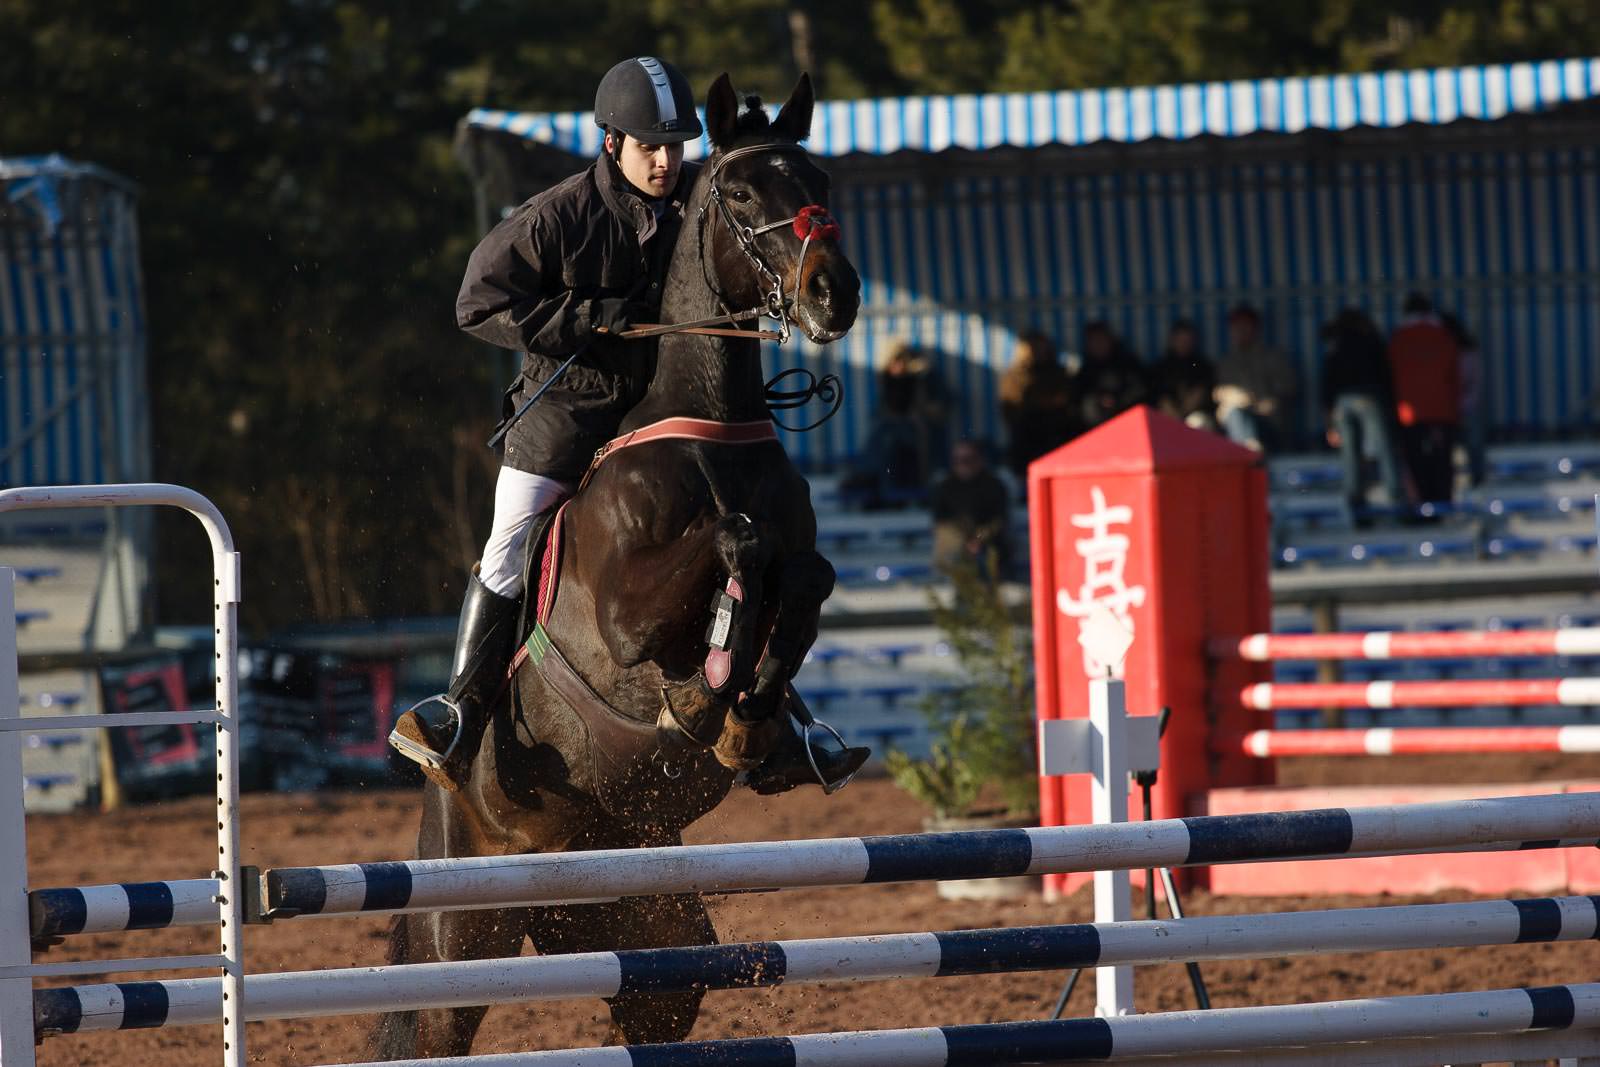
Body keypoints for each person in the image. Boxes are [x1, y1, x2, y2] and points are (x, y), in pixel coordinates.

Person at [387, 57, 706, 788]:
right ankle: (460, 711)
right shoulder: (557, 216)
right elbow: (476, 305)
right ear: (612, 143)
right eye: (650, 147)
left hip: (659, 414)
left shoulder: (696, 202)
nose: (665, 162)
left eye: (675, 147)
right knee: (506, 551)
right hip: (567, 415)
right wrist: (585, 317)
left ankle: (782, 717)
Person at [1319, 308, 1408, 524]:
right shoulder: (1372, 341)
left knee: (1350, 456)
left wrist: (1329, 424)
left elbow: (1327, 386)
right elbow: (1386, 378)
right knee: (1384, 450)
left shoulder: (1335, 345)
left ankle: (1356, 505)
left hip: (1342, 403)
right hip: (1369, 398)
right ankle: (1396, 500)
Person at [844, 339, 947, 506]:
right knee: (884, 441)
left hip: (916, 434)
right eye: (893, 361)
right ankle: (874, 483)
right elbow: (886, 410)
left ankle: (875, 483)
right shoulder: (889, 381)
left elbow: (935, 409)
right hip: (897, 435)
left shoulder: (921, 380)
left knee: (886, 439)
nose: (896, 366)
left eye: (900, 360)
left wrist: (920, 412)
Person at [1387, 293, 1463, 507]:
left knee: (1415, 462)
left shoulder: (1399, 338)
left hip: (1409, 414)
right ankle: (1443, 504)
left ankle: (1421, 506)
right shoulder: (1443, 336)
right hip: (1442, 411)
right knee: (1442, 460)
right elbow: (1454, 376)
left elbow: (1390, 376)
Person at [1214, 303, 1298, 451]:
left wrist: (1258, 403)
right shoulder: (1226, 362)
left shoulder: (1273, 357)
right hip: (1235, 424)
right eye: (1236, 327)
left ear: (1255, 328)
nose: (1241, 331)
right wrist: (1234, 397)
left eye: (1245, 326)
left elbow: (1288, 389)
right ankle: (1250, 450)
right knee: (1235, 413)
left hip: (1268, 424)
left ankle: (1249, 452)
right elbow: (1218, 392)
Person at [998, 331, 1078, 479]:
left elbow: (1066, 401)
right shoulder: (1014, 376)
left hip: (1056, 436)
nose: (1037, 351)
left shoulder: (1058, 373)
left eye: (1041, 347)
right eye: (1032, 348)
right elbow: (1010, 408)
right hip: (1026, 439)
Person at [931, 439, 1011, 577]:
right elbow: (940, 522)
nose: (962, 464)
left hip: (989, 543)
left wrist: (978, 540)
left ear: (979, 459)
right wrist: (963, 541)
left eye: (967, 459)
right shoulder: (945, 487)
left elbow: (998, 521)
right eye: (957, 460)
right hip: (956, 543)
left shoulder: (994, 486)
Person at [1074, 321, 1147, 430]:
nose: (1098, 344)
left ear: (1110, 340)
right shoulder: (1085, 371)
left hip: (1129, 423)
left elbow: (1140, 390)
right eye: (1093, 341)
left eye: (1101, 339)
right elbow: (1079, 399)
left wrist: (1118, 400)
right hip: (1097, 428)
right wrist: (1099, 399)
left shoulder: (1128, 363)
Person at [1150, 319, 1216, 430]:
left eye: (1188, 340)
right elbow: (1160, 397)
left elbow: (1200, 393)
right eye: (1180, 340)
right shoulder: (1161, 367)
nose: (1184, 344)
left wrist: (1183, 415)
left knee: (1198, 422)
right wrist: (1174, 415)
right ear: (1172, 340)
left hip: (1195, 415)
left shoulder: (1201, 366)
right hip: (1167, 416)